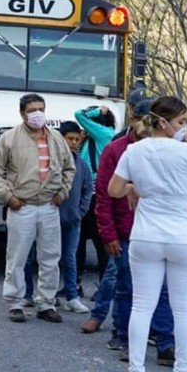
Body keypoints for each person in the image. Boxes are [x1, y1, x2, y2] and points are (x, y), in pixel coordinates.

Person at [108, 95, 187, 372]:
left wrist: (136, 187)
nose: (185, 127)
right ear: (163, 122)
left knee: (141, 306)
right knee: (183, 308)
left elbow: (114, 189)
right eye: (181, 121)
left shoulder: (135, 151)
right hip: (184, 237)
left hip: (146, 235)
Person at [91, 98, 176, 370]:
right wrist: (109, 235)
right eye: (143, 119)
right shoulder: (116, 151)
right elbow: (104, 196)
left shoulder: (169, 150)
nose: (146, 126)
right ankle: (126, 338)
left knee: (163, 288)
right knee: (127, 285)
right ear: (133, 119)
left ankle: (166, 343)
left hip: (161, 230)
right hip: (127, 233)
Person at [0, 93, 75, 323]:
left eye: (41, 109)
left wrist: (62, 193)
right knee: (17, 257)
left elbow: (69, 169)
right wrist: (8, 197)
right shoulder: (9, 139)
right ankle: (15, 303)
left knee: (50, 257)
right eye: (32, 110)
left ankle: (46, 303)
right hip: (22, 206)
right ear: (22, 114)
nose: (37, 114)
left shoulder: (56, 138)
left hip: (49, 206)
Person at [74, 105, 117, 291]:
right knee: (78, 241)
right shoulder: (91, 139)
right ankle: (76, 283)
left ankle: (104, 286)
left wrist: (100, 110)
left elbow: (79, 114)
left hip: (95, 194)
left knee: (100, 243)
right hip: (84, 192)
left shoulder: (104, 134)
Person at [56, 121, 93, 313]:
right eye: (70, 139)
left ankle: (72, 295)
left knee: (69, 258)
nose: (74, 143)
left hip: (73, 220)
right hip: (50, 218)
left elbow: (88, 189)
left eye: (77, 139)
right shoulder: (52, 162)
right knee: (48, 259)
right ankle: (48, 295)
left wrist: (80, 212)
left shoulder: (82, 165)